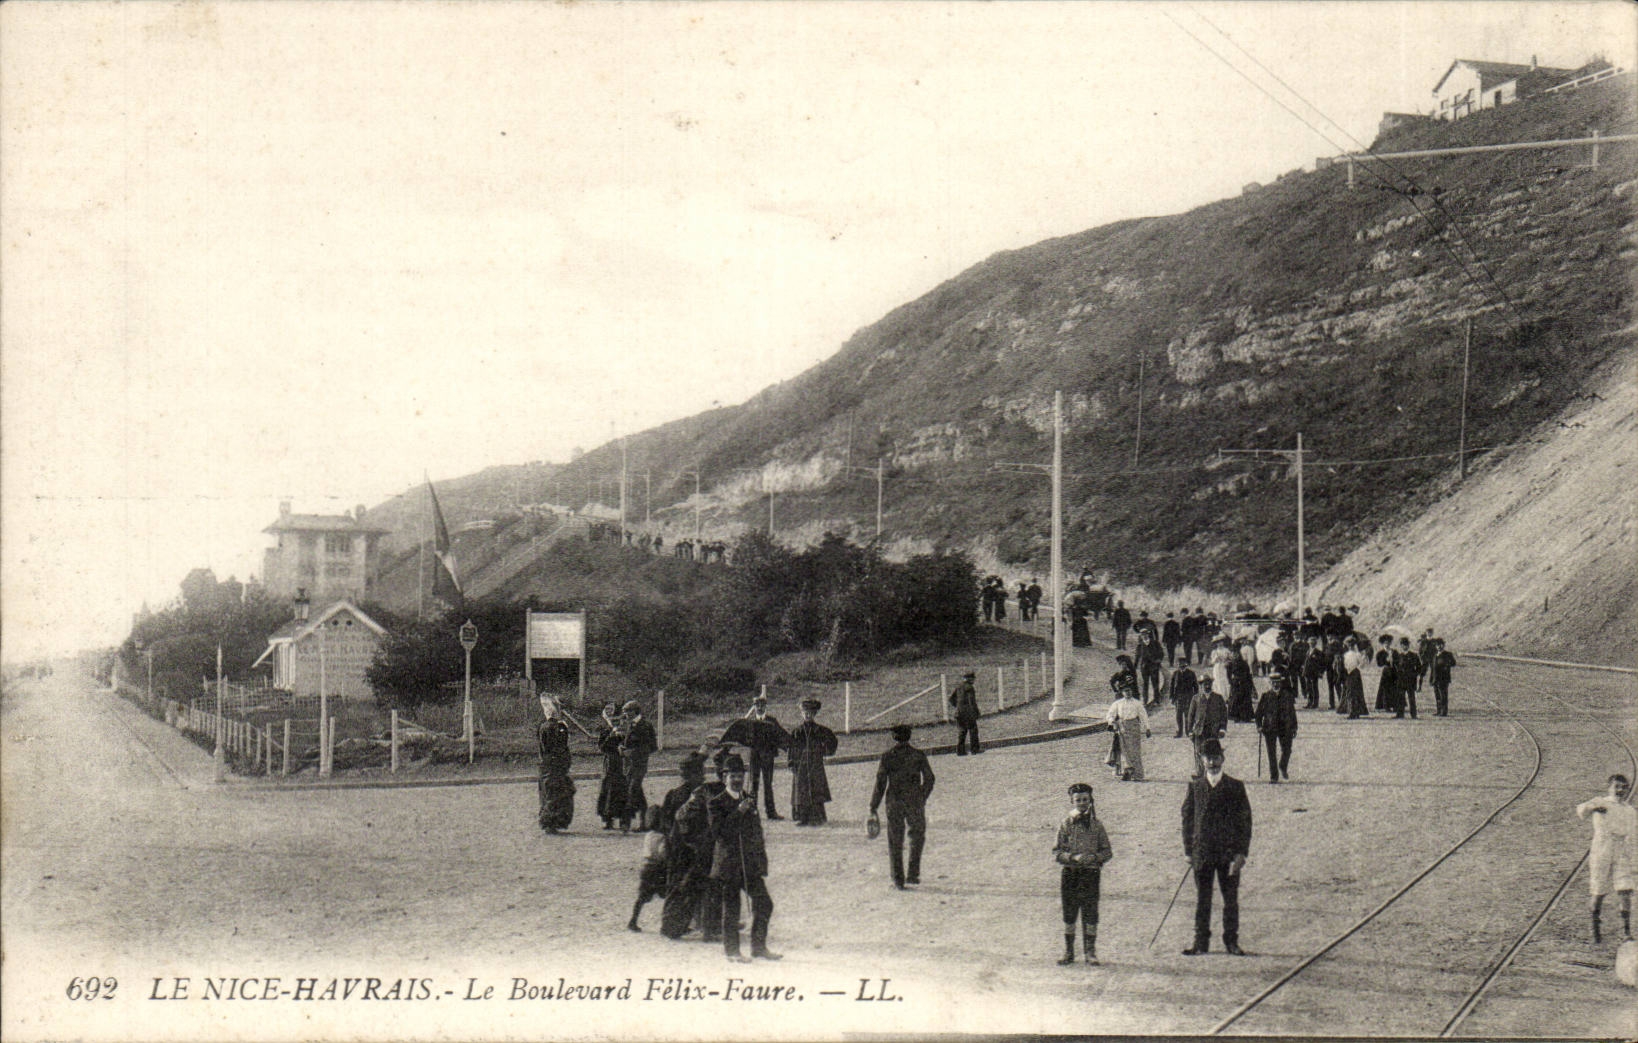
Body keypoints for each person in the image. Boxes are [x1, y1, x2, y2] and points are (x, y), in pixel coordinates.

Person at [1180, 738, 1252, 955]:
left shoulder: (1235, 786)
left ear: (1223, 758)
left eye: (1216, 758)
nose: (1212, 762)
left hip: (1228, 854)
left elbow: (1245, 821)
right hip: (1202, 853)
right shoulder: (1196, 787)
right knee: (1203, 898)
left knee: (1230, 899)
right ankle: (1200, 942)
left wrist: (1241, 852)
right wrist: (1188, 850)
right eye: (1207, 758)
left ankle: (1231, 941)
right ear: (1202, 761)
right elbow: (1187, 819)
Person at [709, 754, 779, 961]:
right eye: (733, 776)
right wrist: (739, 812)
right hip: (729, 866)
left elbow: (756, 834)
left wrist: (761, 863)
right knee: (732, 909)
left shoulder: (748, 800)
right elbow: (719, 833)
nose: (737, 780)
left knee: (764, 903)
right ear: (724, 778)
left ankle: (758, 947)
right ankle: (732, 952)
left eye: (740, 776)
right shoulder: (716, 803)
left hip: (749, 866)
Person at [869, 724, 936, 890]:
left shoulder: (887, 757)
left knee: (895, 839)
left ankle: (898, 880)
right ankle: (913, 874)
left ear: (894, 737)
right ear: (909, 736)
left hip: (894, 802)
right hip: (914, 801)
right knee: (917, 835)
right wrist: (922, 796)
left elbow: (880, 784)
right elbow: (930, 779)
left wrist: (873, 806)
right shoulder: (918, 755)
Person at [1053, 783, 1113, 966]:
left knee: (1090, 911)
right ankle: (1069, 952)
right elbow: (1057, 852)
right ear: (1072, 801)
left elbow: (1107, 851)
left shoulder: (1097, 825)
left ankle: (1090, 952)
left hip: (1091, 874)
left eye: (1085, 799)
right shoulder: (1065, 824)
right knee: (1070, 912)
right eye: (1078, 800)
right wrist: (1073, 857)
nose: (1081, 803)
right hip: (1070, 873)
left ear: (1090, 801)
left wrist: (1095, 857)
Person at [1576, 774, 1636, 943]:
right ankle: (1594, 926)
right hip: (1602, 847)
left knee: (1625, 888)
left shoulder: (1629, 810)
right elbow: (1581, 811)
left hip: (1621, 849)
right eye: (1617, 786)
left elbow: (1632, 833)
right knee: (1598, 888)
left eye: (1624, 787)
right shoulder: (1600, 802)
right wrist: (1592, 808)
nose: (1621, 790)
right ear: (1609, 787)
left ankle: (1626, 931)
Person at [730, 693, 791, 819]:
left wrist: (788, 746)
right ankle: (753, 811)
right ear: (754, 707)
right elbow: (744, 738)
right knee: (753, 784)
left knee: (768, 785)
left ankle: (771, 812)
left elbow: (781, 736)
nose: (760, 708)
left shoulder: (772, 721)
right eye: (757, 705)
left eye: (762, 705)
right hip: (755, 757)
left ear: (765, 706)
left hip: (768, 757)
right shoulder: (749, 722)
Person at [787, 697, 839, 825]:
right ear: (801, 714)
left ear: (814, 714)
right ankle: (803, 818)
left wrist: (824, 751)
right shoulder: (796, 732)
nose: (807, 715)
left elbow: (833, 741)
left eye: (810, 713)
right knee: (802, 791)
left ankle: (817, 817)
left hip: (815, 765)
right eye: (805, 713)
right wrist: (791, 763)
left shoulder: (820, 730)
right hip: (801, 766)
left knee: (816, 789)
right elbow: (791, 749)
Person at [536, 696, 575, 833]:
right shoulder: (555, 727)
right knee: (554, 793)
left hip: (548, 765)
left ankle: (552, 822)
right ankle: (551, 823)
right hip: (554, 765)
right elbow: (559, 747)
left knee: (551, 793)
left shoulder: (545, 726)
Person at [627, 807, 669, 932]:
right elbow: (663, 853)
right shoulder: (663, 837)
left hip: (646, 867)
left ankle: (633, 920)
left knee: (642, 897)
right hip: (658, 868)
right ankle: (666, 923)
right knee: (667, 895)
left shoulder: (648, 835)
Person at [1254, 669, 1299, 783]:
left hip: (1285, 727)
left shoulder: (1288, 696)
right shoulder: (1266, 696)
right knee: (1271, 753)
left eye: (1278, 682)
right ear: (1270, 683)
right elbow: (1258, 713)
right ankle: (1274, 776)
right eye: (1273, 682)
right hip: (1270, 727)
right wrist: (1259, 726)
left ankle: (1283, 766)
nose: (1275, 684)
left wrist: (1294, 727)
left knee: (1287, 750)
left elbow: (1292, 713)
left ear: (1281, 683)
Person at [1105, 674, 1152, 781]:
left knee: (1134, 751)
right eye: (1126, 691)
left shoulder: (1137, 703)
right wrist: (1113, 722)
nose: (1128, 693)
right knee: (1124, 751)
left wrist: (1147, 728)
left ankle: (1138, 774)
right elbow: (1110, 715)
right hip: (1122, 728)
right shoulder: (1118, 703)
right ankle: (1126, 772)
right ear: (1122, 692)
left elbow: (1143, 716)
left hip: (1134, 728)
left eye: (1129, 690)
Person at [621, 700, 657, 831]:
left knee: (631, 792)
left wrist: (631, 753)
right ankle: (645, 822)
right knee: (638, 794)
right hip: (629, 765)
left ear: (634, 711)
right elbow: (629, 743)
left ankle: (625, 822)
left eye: (627, 712)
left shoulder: (645, 726)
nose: (625, 715)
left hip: (639, 765)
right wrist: (622, 748)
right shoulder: (630, 725)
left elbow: (652, 747)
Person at [1186, 678, 1228, 779]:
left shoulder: (1218, 698)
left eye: (1209, 684)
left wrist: (1222, 729)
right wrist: (1190, 731)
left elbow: (1224, 715)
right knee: (1198, 752)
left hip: (1213, 731)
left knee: (1212, 753)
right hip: (1199, 731)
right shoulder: (1196, 698)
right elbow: (1190, 716)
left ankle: (1211, 774)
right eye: (1205, 684)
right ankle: (1200, 775)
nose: (1207, 686)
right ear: (1201, 686)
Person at [595, 703, 629, 830]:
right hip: (610, 763)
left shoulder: (625, 726)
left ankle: (624, 820)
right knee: (608, 790)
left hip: (622, 763)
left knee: (622, 790)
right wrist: (611, 735)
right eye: (607, 709)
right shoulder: (605, 729)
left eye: (612, 709)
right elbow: (602, 747)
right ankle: (608, 819)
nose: (609, 712)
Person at [950, 671, 982, 755]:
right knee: (973, 730)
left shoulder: (958, 687)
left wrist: (958, 706)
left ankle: (960, 751)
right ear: (970, 679)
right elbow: (972, 701)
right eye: (973, 678)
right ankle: (974, 749)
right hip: (968, 714)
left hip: (959, 713)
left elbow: (951, 699)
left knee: (962, 732)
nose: (974, 680)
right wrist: (976, 712)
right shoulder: (969, 688)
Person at [1168, 660, 1199, 739]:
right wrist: (1171, 696)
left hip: (1188, 697)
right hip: (1178, 698)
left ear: (1186, 666)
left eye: (1183, 666)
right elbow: (1172, 686)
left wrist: (1196, 697)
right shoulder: (1175, 674)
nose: (1181, 668)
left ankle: (1188, 731)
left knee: (1187, 715)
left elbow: (1195, 686)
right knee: (1178, 715)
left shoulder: (1191, 673)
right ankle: (1180, 731)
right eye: (1180, 666)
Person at [1134, 629, 1164, 707]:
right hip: (1144, 667)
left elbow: (1161, 653)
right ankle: (1145, 700)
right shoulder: (1140, 646)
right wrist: (1134, 667)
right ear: (1140, 636)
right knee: (1145, 684)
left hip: (1154, 666)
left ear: (1148, 635)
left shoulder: (1155, 643)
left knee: (1155, 684)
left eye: (1145, 634)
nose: (1144, 636)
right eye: (1142, 635)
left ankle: (1157, 700)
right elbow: (1137, 657)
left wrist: (1158, 661)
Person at [1397, 637, 1422, 719]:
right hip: (1401, 680)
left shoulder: (1414, 655)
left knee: (1411, 698)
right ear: (1401, 646)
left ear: (1408, 645)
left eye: (1406, 644)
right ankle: (1400, 714)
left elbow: (1419, 668)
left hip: (1410, 680)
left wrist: (1414, 674)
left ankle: (1413, 714)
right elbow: (1396, 667)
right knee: (1400, 697)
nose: (1404, 646)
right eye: (1403, 645)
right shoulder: (1399, 656)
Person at [1431, 640, 1456, 716]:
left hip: (1444, 678)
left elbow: (1453, 663)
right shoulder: (1435, 655)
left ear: (1443, 645)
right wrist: (1431, 678)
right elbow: (1433, 668)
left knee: (1443, 695)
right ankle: (1439, 710)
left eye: (1441, 645)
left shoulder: (1448, 654)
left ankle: (1444, 711)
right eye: (1438, 645)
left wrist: (1446, 665)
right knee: (1437, 695)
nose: (1439, 647)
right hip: (1436, 678)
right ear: (1436, 646)